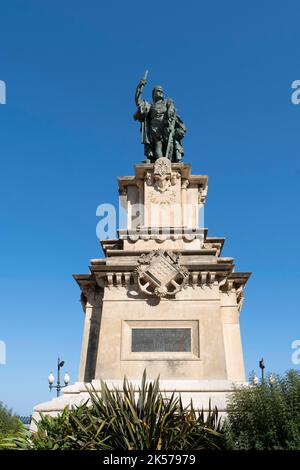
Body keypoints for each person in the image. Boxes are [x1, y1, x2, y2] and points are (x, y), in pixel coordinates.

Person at [134, 75, 186, 163]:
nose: (160, 92)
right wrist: (139, 87)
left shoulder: (167, 101)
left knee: (170, 147)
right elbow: (138, 102)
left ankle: (168, 164)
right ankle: (161, 165)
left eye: (161, 91)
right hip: (155, 128)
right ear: (154, 94)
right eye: (158, 91)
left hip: (166, 126)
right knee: (158, 146)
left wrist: (170, 110)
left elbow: (172, 107)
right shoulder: (150, 105)